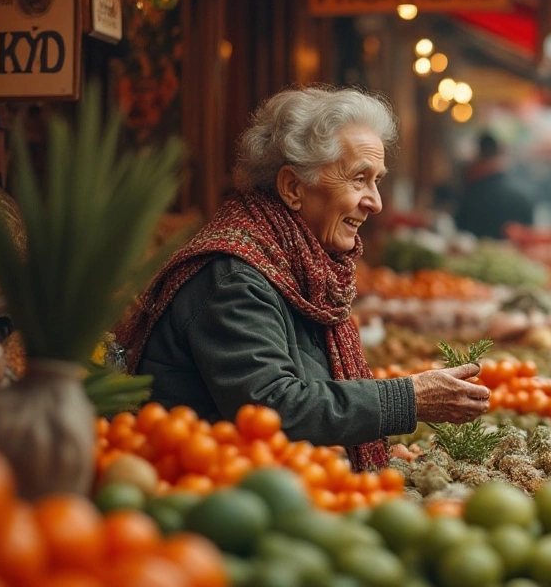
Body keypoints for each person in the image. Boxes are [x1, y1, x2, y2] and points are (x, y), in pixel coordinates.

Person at [119, 87, 491, 471]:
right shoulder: (232, 277)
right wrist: (407, 398)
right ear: (292, 188)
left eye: (377, 180)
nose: (375, 202)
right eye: (359, 179)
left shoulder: (298, 263)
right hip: (216, 488)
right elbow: (273, 407)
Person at [454, 132, 534, 240]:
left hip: (478, 251)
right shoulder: (522, 192)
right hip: (512, 253)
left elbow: (460, 228)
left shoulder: (472, 192)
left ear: (479, 154)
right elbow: (529, 231)